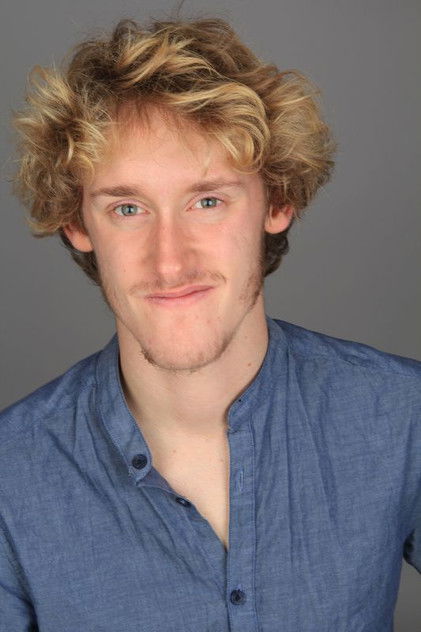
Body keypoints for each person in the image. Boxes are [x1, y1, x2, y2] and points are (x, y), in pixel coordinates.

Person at [0, 15, 419, 632]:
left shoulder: (402, 415)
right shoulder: (10, 476)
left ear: (278, 202)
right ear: (77, 223)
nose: (170, 261)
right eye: (128, 208)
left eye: (207, 201)